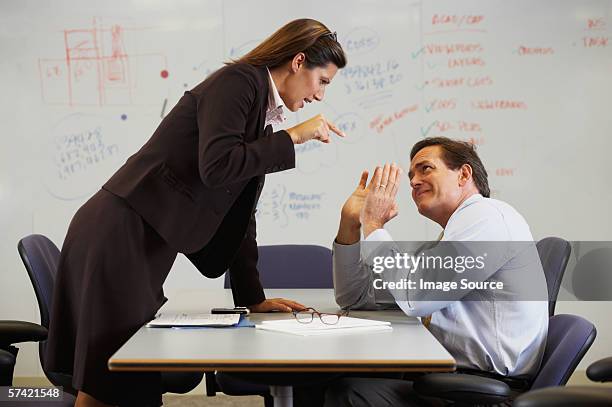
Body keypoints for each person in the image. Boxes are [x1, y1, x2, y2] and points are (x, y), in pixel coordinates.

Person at [45, 19, 347, 407]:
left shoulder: (260, 111)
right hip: (120, 231)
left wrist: (252, 298)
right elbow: (217, 165)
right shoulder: (239, 82)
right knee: (113, 378)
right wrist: (291, 137)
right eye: (322, 81)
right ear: (298, 62)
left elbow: (239, 214)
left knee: (122, 377)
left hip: (141, 235)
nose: (320, 96)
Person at [326, 137, 548, 406]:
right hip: (451, 381)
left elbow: (416, 296)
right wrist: (351, 224)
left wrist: (374, 224)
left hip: (478, 392)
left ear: (464, 174)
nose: (414, 181)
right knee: (327, 381)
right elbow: (357, 297)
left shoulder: (487, 217)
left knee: (345, 390)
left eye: (425, 169)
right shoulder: (450, 237)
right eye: (411, 176)